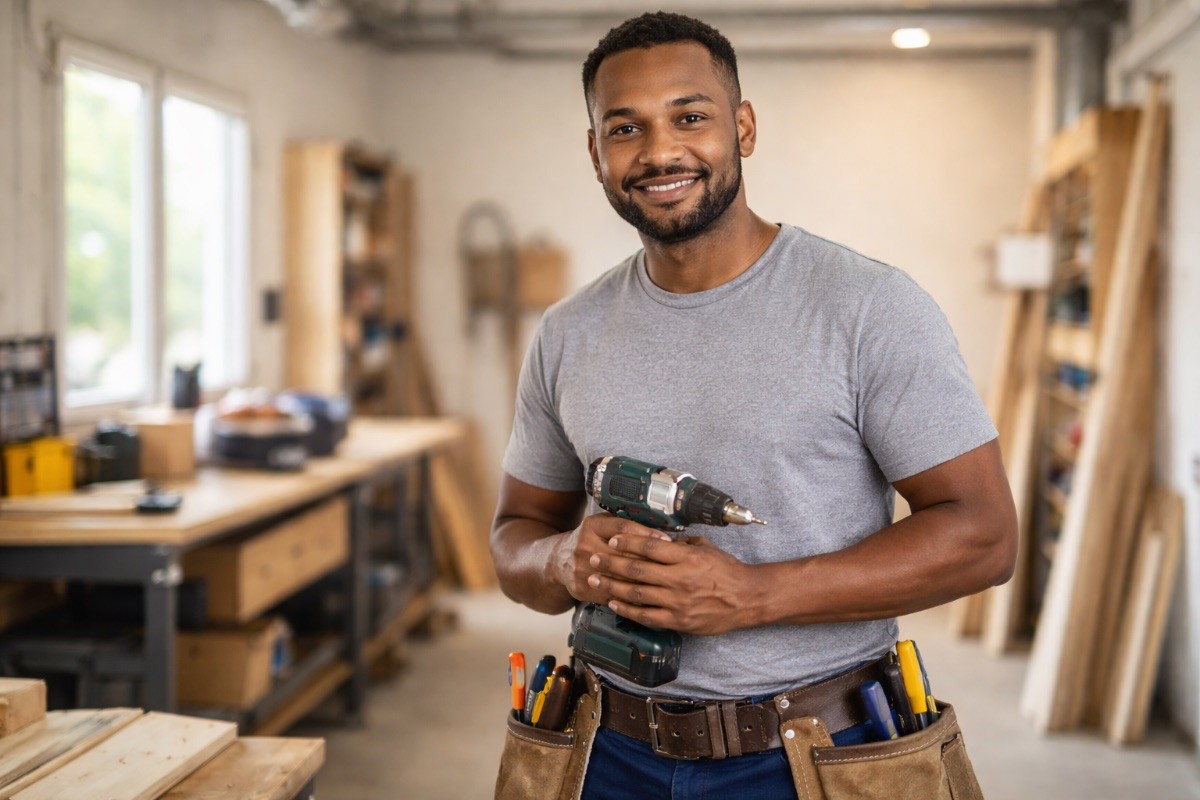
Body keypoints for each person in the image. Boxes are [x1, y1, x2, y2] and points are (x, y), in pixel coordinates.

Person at [490, 11, 1016, 799]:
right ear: (595, 152)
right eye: (625, 127)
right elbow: (512, 540)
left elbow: (985, 538)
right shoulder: (568, 333)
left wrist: (755, 596)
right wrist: (562, 561)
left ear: (743, 127)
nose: (660, 151)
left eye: (690, 117)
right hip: (606, 751)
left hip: (819, 755)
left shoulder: (868, 308)